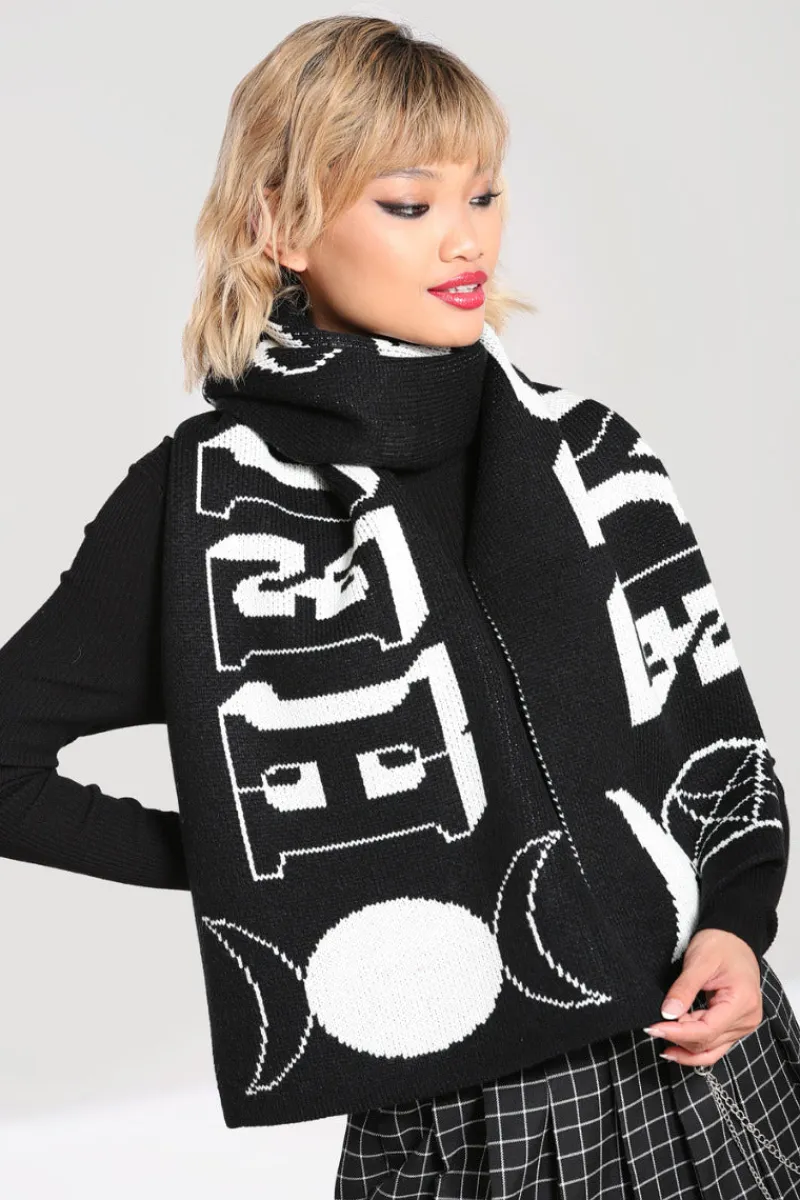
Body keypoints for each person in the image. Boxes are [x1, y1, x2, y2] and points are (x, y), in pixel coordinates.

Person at [1, 14, 797, 1199]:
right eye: (410, 203)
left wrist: (735, 921)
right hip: (478, 1109)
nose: (466, 238)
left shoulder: (588, 453)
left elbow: (707, 732)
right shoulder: (203, 507)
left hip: (713, 1054)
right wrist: (252, 865)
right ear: (279, 225)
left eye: (483, 195)